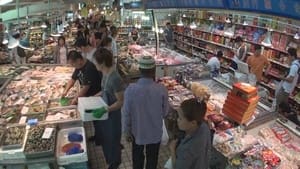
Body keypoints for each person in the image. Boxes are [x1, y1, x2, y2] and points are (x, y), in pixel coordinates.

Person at [123, 55, 169, 169]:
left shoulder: (131, 90)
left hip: (137, 131)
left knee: (137, 157)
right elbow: (165, 112)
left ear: (139, 70)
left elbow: (126, 114)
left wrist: (126, 131)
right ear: (154, 70)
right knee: (152, 158)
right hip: (154, 132)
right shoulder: (162, 89)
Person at [93, 48, 125, 169]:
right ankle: (110, 160)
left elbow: (121, 101)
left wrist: (106, 110)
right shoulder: (105, 74)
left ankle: (115, 162)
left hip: (113, 116)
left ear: (101, 63)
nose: (94, 64)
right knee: (107, 139)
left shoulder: (115, 78)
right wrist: (92, 97)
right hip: (106, 113)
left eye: (96, 62)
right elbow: (104, 90)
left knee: (113, 140)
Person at [169, 98, 211, 169]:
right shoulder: (204, 127)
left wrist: (172, 150)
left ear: (193, 123)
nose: (177, 120)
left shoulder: (188, 150)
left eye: (180, 118)